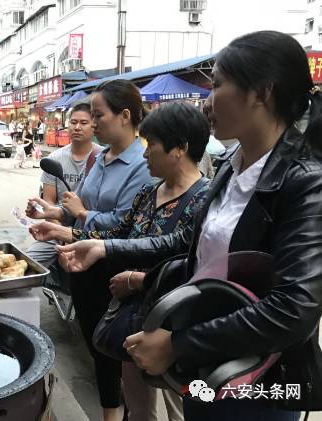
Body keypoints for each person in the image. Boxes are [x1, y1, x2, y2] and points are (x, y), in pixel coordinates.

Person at [56, 31, 322, 421]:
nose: (208, 102)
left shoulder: (304, 181)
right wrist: (125, 265)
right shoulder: (231, 173)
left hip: (256, 381)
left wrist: (179, 345)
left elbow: (294, 308)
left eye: (217, 85)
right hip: (206, 370)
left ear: (261, 93)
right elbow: (201, 256)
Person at [31, 102, 212, 421]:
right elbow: (118, 232)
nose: (145, 155)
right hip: (133, 318)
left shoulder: (205, 199)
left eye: (151, 145)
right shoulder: (148, 194)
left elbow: (177, 247)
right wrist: (63, 230)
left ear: (179, 149)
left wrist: (110, 254)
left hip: (175, 330)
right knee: (140, 409)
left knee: (179, 408)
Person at [27, 80, 152, 421]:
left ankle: (115, 412)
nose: (93, 123)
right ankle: (111, 408)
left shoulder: (144, 164)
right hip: (81, 265)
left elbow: (125, 223)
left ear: (125, 116)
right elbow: (76, 203)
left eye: (98, 115)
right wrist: (51, 214)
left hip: (113, 268)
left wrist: (80, 216)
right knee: (96, 344)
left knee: (114, 349)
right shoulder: (101, 157)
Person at [26, 103, 103, 287]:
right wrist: (57, 229)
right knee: (27, 266)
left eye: (83, 122)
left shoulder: (102, 157)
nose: (77, 127)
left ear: (94, 125)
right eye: (73, 122)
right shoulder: (55, 159)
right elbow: (49, 200)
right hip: (57, 224)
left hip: (90, 229)